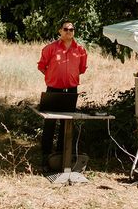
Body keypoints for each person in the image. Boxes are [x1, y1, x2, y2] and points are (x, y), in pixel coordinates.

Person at [37, 19, 88, 170]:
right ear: (60, 31)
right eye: (66, 29)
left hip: (71, 90)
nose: (69, 32)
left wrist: (68, 77)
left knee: (67, 123)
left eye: (71, 29)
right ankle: (45, 157)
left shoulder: (80, 50)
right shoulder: (50, 48)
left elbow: (82, 69)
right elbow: (41, 66)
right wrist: (52, 76)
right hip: (53, 89)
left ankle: (60, 156)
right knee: (50, 122)